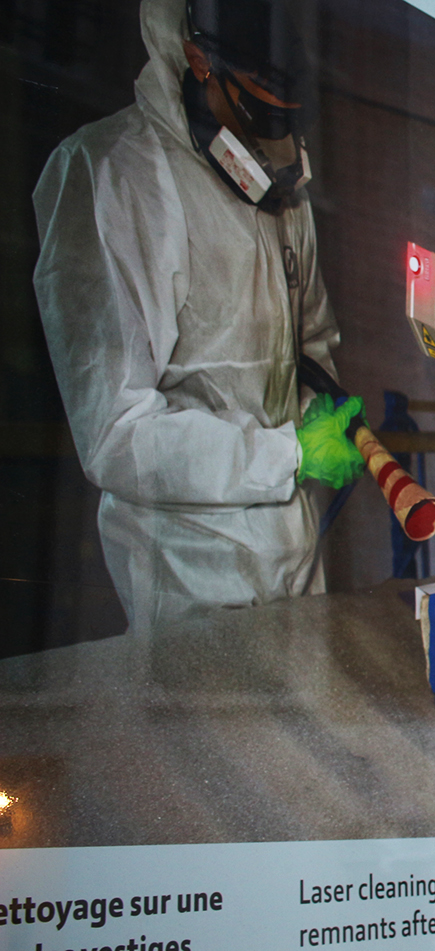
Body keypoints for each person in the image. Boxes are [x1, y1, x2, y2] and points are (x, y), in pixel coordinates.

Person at [31, 0, 364, 634]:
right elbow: (117, 432)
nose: (269, 137)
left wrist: (324, 410)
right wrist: (287, 455)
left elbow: (312, 337)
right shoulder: (114, 174)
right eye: (257, 110)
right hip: (192, 575)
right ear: (197, 60)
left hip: (296, 551)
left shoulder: (283, 189)